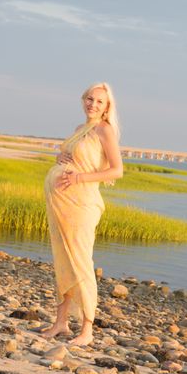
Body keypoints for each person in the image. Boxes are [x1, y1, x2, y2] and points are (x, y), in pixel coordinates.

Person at [42, 82, 123, 346]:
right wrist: (60, 160)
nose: (93, 104)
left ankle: (87, 329)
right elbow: (71, 157)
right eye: (89, 99)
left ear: (107, 106)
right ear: (83, 100)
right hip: (61, 204)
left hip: (82, 205)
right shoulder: (80, 129)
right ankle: (61, 322)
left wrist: (79, 177)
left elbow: (116, 171)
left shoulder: (105, 130)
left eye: (99, 101)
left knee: (81, 263)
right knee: (63, 260)